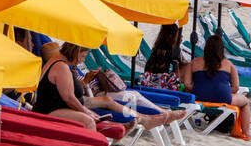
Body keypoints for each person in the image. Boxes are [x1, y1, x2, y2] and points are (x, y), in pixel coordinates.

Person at [34, 42, 176, 134]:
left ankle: (144, 119)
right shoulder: (61, 66)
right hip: (48, 111)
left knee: (107, 100)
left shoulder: (63, 64)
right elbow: (69, 98)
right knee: (88, 120)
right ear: (75, 52)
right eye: (83, 56)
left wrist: (85, 82)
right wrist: (86, 111)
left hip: (60, 105)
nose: (84, 60)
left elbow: (70, 93)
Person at [183, 34, 251, 139]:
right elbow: (236, 87)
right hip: (223, 98)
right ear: (222, 49)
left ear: (206, 48)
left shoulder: (194, 63)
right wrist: (221, 91)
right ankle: (246, 133)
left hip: (199, 97)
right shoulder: (229, 64)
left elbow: (187, 84)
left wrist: (200, 89)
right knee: (246, 102)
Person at [142, 23, 186, 90]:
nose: (182, 36)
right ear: (171, 36)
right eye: (179, 34)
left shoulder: (160, 48)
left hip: (152, 83)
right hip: (162, 85)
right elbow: (181, 66)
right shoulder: (168, 51)